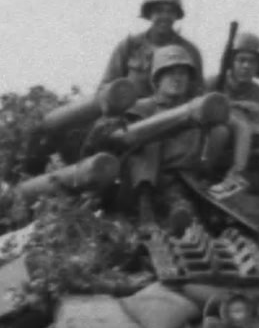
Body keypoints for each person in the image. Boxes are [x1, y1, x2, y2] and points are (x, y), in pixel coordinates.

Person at [88, 44, 229, 233]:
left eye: (183, 73)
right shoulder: (141, 108)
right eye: (170, 73)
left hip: (178, 180)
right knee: (148, 139)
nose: (177, 78)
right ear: (158, 78)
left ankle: (179, 211)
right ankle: (146, 210)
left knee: (184, 199)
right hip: (137, 186)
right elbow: (121, 140)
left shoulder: (196, 112)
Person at [99, 0, 205, 100]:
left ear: (176, 15)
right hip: (131, 115)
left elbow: (198, 93)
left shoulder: (189, 51)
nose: (165, 16)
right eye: (159, 11)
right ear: (149, 14)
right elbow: (106, 88)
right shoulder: (129, 46)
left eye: (170, 11)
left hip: (175, 115)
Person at [207, 31, 259, 193]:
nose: (246, 66)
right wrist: (236, 107)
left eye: (252, 62)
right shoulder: (212, 84)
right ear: (231, 62)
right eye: (241, 60)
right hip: (208, 153)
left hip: (248, 157)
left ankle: (235, 177)